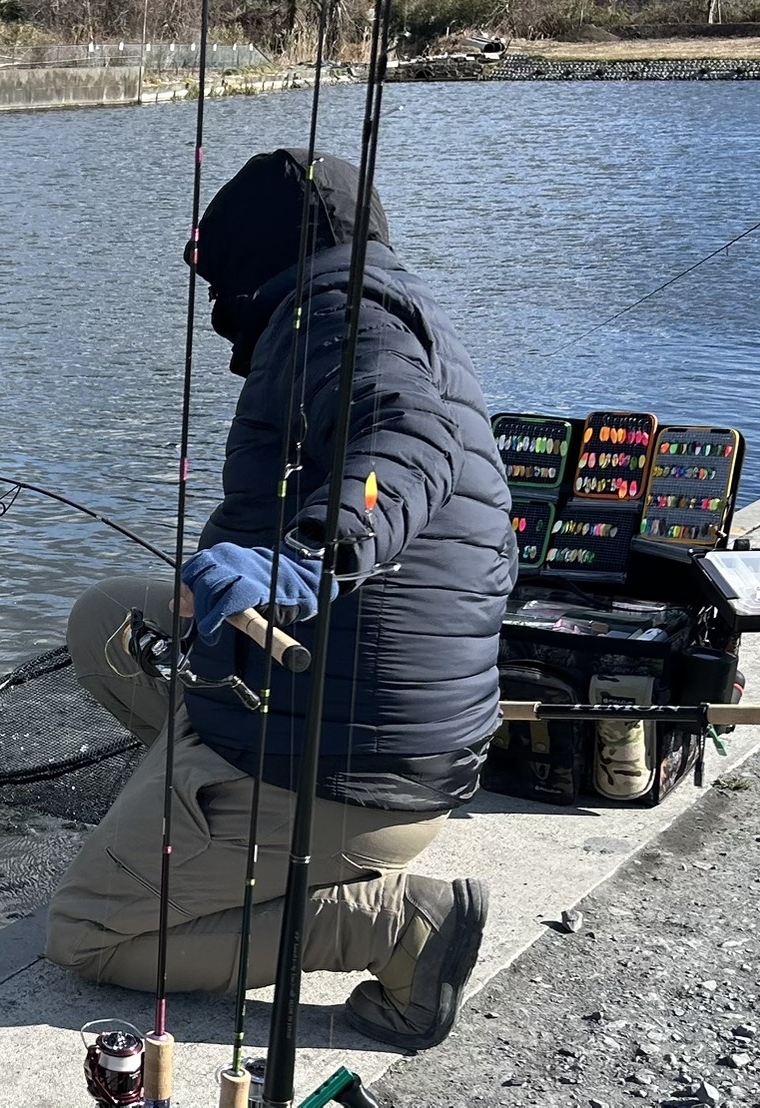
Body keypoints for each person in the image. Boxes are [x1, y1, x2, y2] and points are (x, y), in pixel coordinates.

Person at [44, 149, 518, 1052]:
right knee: (108, 620)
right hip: (381, 712)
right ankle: (212, 819)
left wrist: (308, 552)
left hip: (356, 765)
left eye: (218, 276)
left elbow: (404, 439)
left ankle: (399, 927)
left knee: (85, 933)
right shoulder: (385, 308)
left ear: (253, 260)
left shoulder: (338, 315)